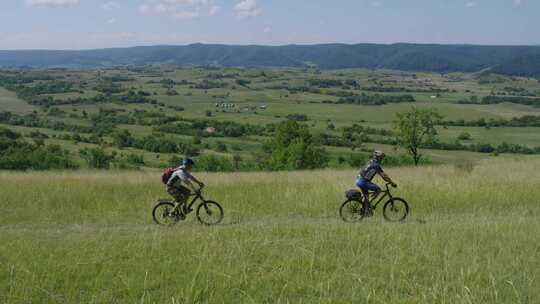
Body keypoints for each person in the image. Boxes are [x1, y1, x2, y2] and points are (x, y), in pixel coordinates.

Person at [356, 150, 397, 215]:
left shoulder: (370, 161)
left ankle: (364, 210)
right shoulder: (376, 165)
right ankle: (368, 205)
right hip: (363, 181)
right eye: (381, 158)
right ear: (378, 158)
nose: (381, 159)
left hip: (358, 179)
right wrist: (392, 183)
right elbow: (384, 176)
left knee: (366, 196)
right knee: (378, 190)